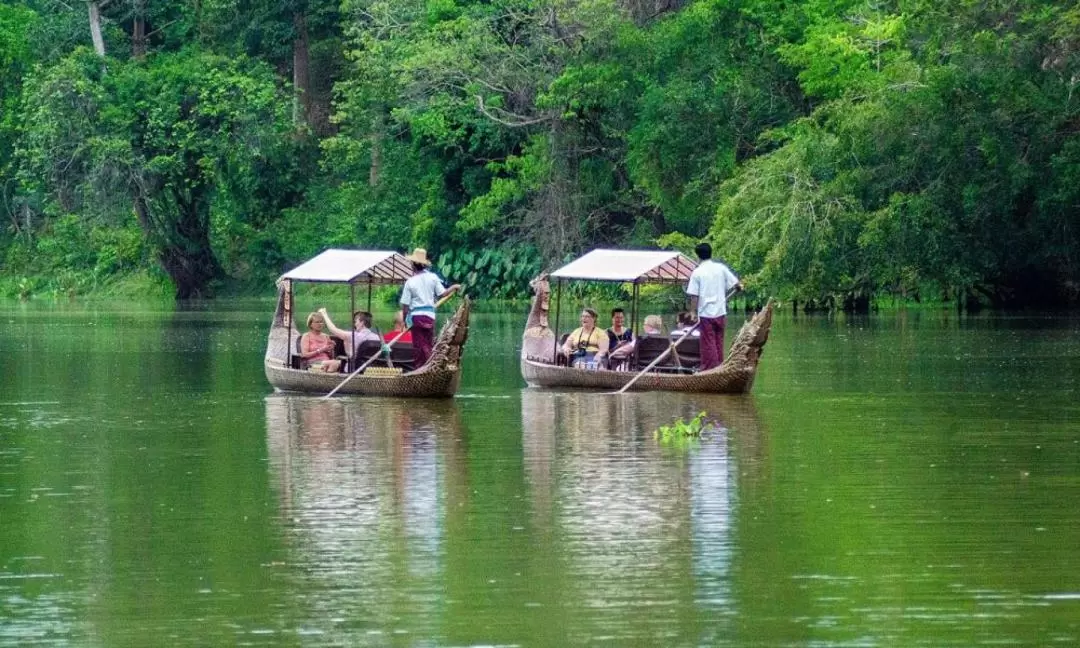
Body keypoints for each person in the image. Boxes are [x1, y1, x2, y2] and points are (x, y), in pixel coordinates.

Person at [399, 248, 461, 369]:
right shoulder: (433, 277)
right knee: (427, 343)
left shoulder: (410, 282)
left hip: (416, 317)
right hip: (429, 316)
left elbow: (405, 306)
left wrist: (405, 321)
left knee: (419, 347)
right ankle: (429, 366)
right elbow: (443, 293)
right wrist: (453, 286)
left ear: (412, 264)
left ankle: (424, 368)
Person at [686, 242, 741, 369]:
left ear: (698, 256)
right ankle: (720, 367)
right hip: (721, 312)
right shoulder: (720, 268)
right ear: (711, 253)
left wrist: (693, 312)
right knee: (718, 342)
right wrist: (738, 287)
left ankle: (711, 369)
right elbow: (736, 284)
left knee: (708, 343)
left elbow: (694, 296)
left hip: (706, 314)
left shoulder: (697, 272)